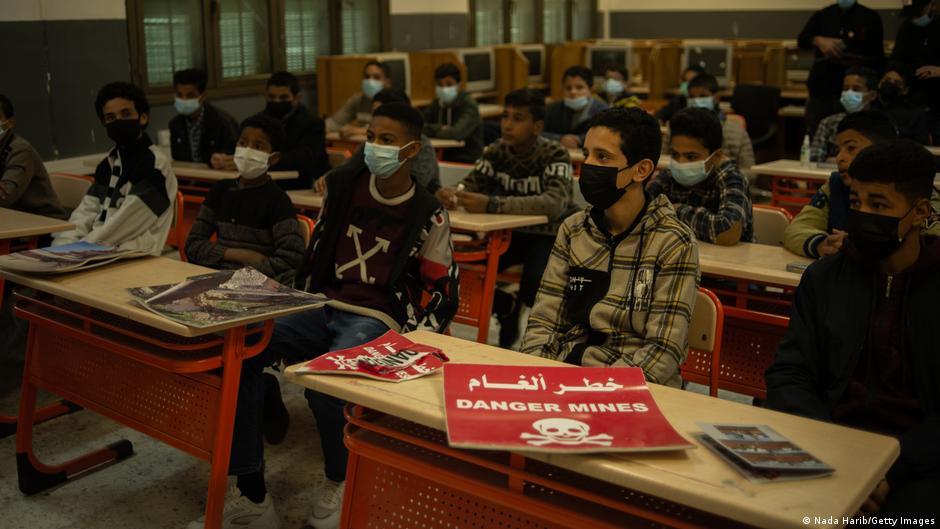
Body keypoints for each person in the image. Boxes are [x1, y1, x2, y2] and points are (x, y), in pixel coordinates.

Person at [185, 102, 458, 529]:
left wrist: (413, 347)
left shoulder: (428, 212)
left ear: (410, 150)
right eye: (370, 137)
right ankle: (253, 495)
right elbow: (313, 258)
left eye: (387, 141)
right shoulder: (344, 190)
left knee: (325, 387)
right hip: (322, 304)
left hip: (377, 317)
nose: (374, 147)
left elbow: (442, 288)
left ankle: (342, 478)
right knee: (238, 352)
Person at [765, 139, 940, 521]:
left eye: (878, 206)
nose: (862, 214)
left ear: (920, 212)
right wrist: (829, 451)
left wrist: (888, 468)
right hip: (827, 442)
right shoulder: (825, 278)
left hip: (915, 462)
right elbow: (790, 373)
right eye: (856, 201)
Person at [521, 107, 699, 387]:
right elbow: (543, 323)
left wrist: (601, 392)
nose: (587, 165)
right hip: (565, 376)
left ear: (641, 170)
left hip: (634, 389)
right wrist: (537, 378)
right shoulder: (574, 229)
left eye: (602, 156)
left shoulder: (673, 241)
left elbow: (663, 351)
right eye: (586, 153)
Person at [435, 88, 574, 348]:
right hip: (509, 233)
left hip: (547, 234)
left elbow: (553, 204)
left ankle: (537, 332)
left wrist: (493, 204)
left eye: (518, 118)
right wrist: (453, 195)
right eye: (505, 117)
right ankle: (507, 306)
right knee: (465, 273)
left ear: (537, 126)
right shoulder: (496, 150)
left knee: (535, 285)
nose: (508, 125)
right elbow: (472, 184)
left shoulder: (554, 154)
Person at [785, 111, 940, 258]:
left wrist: (860, 245)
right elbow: (797, 228)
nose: (839, 157)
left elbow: (935, 239)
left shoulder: (913, 187)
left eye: (851, 148)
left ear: (883, 148)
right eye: (855, 202)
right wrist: (822, 244)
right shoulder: (836, 184)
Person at [52, 82, 177, 254]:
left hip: (133, 255)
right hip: (96, 249)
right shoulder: (107, 165)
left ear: (143, 117)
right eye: (111, 117)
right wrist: (61, 247)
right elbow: (85, 212)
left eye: (126, 114)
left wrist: (78, 250)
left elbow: (125, 224)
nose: (118, 121)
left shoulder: (155, 166)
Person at [185, 114, 305, 285]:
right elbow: (192, 246)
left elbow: (292, 260)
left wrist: (244, 275)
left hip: (256, 286)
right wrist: (240, 255)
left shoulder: (277, 200)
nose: (247, 150)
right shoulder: (220, 190)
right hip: (217, 280)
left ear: (274, 158)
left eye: (258, 146)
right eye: (243, 143)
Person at [648, 108, 753, 245]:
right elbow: (642, 208)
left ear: (716, 156)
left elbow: (728, 232)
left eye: (691, 157)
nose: (680, 162)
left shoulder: (732, 178)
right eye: (675, 154)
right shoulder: (669, 175)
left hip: (730, 261)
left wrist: (676, 210)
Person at [316, 88, 440, 194]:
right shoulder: (372, 143)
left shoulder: (421, 147)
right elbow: (348, 169)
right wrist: (328, 179)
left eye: (382, 113)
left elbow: (415, 186)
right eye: (374, 113)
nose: (376, 119)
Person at [798, 0, 884, 137]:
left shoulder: (869, 17)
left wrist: (848, 51)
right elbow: (802, 40)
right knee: (817, 133)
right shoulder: (823, 14)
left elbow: (878, 56)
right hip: (822, 88)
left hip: (854, 87)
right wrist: (819, 40)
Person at [261, 71, 329, 191]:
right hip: (266, 182)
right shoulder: (258, 122)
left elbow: (304, 159)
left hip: (301, 184)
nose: (277, 101)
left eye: (283, 97)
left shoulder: (312, 123)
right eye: (272, 97)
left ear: (297, 98)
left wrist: (264, 160)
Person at [0, 94, 65, 218]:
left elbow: (4, 197)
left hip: (44, 222)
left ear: (10, 122)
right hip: (12, 219)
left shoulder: (21, 150)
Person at [675, 73, 755, 171]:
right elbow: (664, 162)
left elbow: (750, 171)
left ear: (716, 98)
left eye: (703, 96)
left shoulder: (736, 132)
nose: (696, 101)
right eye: (692, 97)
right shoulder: (676, 129)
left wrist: (727, 178)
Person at [890, 0, 940, 143]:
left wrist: (938, 71)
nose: (915, 18)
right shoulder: (908, 27)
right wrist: (894, 72)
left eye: (918, 13)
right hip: (914, 100)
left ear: (932, 5)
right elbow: (897, 57)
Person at [168, 68, 239, 168]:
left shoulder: (223, 123)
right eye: (179, 95)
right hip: (188, 179)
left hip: (216, 178)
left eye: (190, 96)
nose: (184, 100)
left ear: (203, 96)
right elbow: (177, 159)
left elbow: (234, 159)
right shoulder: (175, 125)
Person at [810, 66, 880, 161]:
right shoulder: (828, 123)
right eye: (845, 88)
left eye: (856, 89)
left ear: (872, 95)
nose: (849, 93)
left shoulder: (880, 125)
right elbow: (814, 159)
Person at [423, 62, 484, 164]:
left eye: (449, 84)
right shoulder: (436, 104)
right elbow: (418, 127)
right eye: (439, 84)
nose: (444, 89)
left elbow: (456, 133)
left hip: (467, 159)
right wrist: (439, 128)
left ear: (459, 85)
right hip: (442, 157)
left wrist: (432, 130)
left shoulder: (469, 105)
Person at [543, 65, 608, 150]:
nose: (573, 92)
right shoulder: (552, 109)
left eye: (579, 87)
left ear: (590, 89)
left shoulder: (603, 111)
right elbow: (538, 132)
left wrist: (579, 140)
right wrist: (560, 139)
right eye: (568, 88)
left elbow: (605, 135)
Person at [325, 60, 392, 137]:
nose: (370, 81)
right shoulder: (358, 99)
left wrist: (358, 131)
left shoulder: (394, 101)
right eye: (367, 77)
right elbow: (335, 122)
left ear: (388, 82)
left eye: (376, 77)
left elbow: (390, 130)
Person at [872, 67, 931, 145]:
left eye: (897, 83)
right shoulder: (869, 106)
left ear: (905, 90)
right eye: (887, 80)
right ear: (879, 83)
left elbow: (921, 144)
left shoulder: (915, 114)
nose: (890, 84)